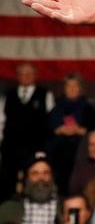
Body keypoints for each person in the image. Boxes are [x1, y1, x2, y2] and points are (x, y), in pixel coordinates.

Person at [0, 63, 54, 201]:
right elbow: (2, 122)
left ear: (35, 75)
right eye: (22, 73)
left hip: (35, 148)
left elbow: (51, 123)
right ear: (17, 76)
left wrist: (44, 149)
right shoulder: (8, 96)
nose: (26, 76)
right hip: (10, 148)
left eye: (29, 73)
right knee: (8, 182)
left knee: (34, 180)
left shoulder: (45, 95)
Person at [0, 151, 59, 223]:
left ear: (52, 177)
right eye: (35, 173)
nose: (41, 178)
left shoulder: (64, 208)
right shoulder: (8, 209)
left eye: (46, 173)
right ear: (27, 178)